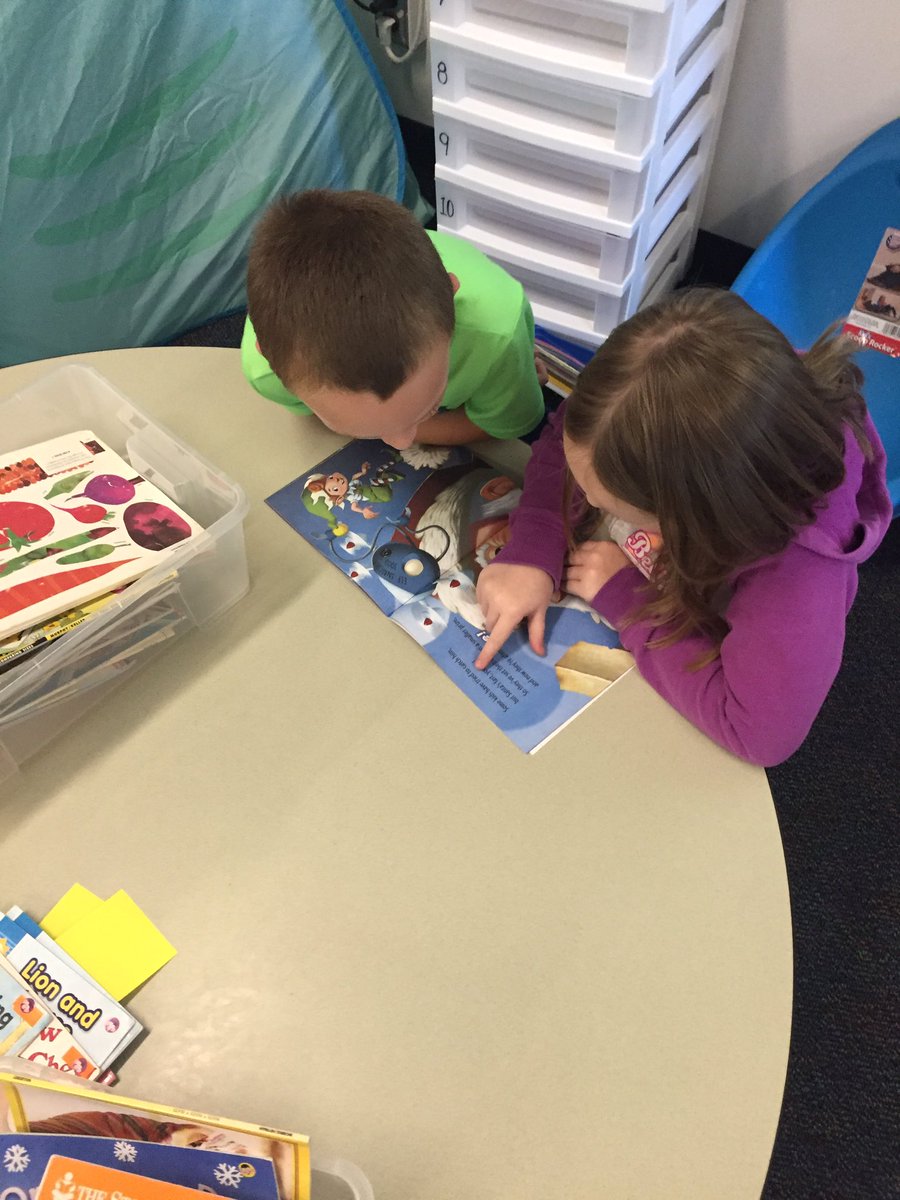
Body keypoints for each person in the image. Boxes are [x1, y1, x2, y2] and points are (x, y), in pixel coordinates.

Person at [474, 288, 892, 766]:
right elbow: (576, 436)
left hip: (719, 606)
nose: (585, 498)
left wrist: (627, 598)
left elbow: (760, 734)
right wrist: (535, 542)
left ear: (693, 518)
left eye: (607, 499)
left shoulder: (795, 582)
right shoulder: (638, 402)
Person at [241, 190, 545, 450]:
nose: (401, 442)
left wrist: (516, 379)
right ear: (267, 357)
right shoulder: (266, 373)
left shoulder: (499, 337)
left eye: (430, 408)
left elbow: (505, 426)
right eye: (364, 430)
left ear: (452, 296)